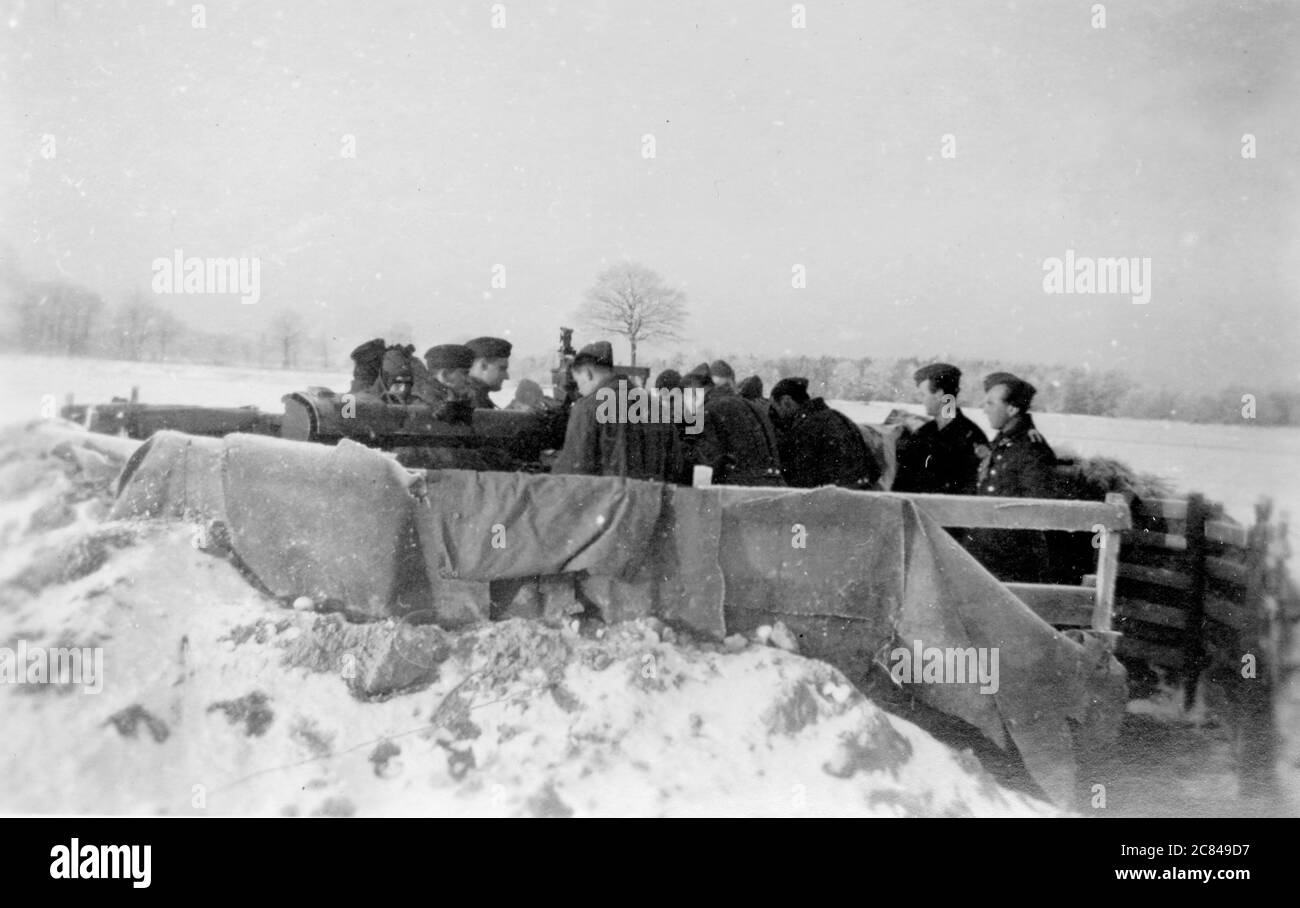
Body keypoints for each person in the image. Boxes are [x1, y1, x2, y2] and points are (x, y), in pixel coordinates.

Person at [963, 374, 1059, 582]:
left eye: (991, 403)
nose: (984, 408)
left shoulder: (1031, 449)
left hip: (1010, 561)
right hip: (985, 551)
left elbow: (1036, 507)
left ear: (1012, 409)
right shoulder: (1004, 440)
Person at [551, 341, 683, 481]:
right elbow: (676, 466)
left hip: (608, 501)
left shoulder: (586, 409)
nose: (580, 391)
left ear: (587, 374)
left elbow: (570, 476)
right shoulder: (655, 407)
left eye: (578, 383)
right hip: (651, 500)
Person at [892, 363, 988, 495]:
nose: (921, 400)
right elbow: (901, 484)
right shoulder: (922, 433)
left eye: (923, 394)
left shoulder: (972, 438)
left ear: (939, 394)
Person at [681, 362, 783, 486]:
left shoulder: (709, 411)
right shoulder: (753, 407)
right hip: (775, 487)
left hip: (739, 491)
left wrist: (681, 447)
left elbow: (705, 464)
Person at [770, 377, 879, 489]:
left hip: (830, 500)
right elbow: (874, 470)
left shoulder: (804, 429)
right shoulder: (841, 418)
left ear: (786, 402)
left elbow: (801, 482)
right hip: (858, 496)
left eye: (775, 407)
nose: (775, 414)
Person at [464, 336, 512, 409]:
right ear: (483, 366)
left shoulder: (471, 395)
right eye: (502, 369)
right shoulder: (472, 398)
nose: (507, 377)